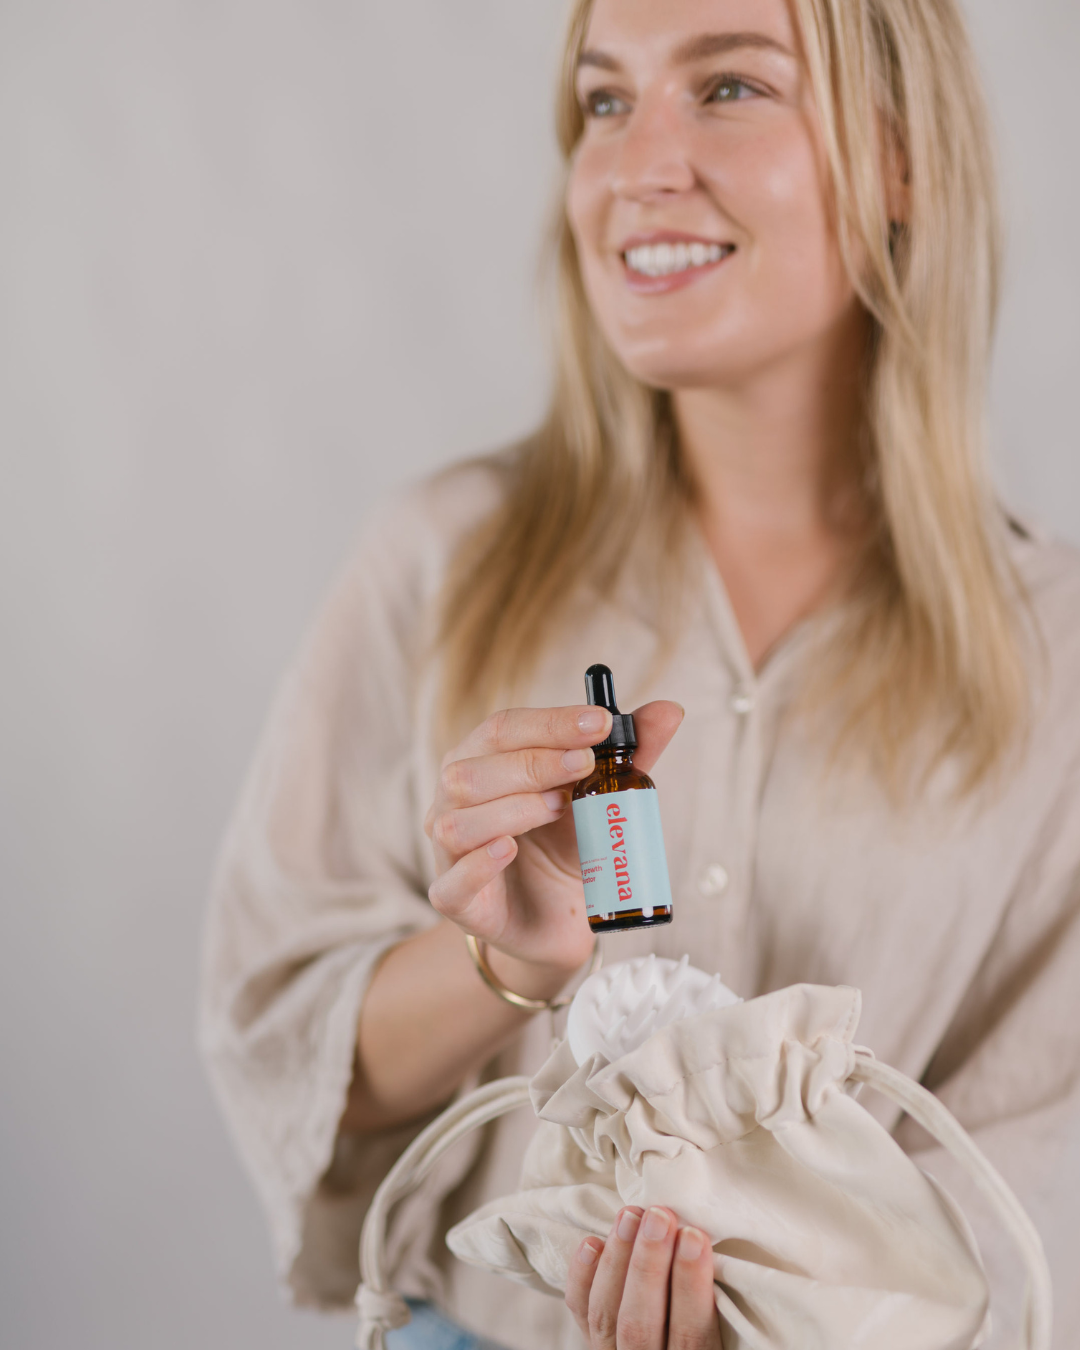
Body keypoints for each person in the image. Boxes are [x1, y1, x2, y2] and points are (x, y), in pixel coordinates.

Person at [199, 0, 1080, 1347]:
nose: (634, 165)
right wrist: (501, 956)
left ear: (903, 160)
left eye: (729, 86)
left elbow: (1046, 1163)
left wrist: (774, 1316)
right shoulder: (441, 559)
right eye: (604, 102)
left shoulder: (1057, 653)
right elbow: (283, 1044)